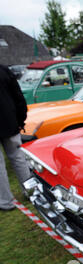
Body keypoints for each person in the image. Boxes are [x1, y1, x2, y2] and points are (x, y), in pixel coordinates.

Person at [0, 64, 30, 211]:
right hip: (9, 122)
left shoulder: (4, 70)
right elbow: (18, 97)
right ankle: (30, 192)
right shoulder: (4, 70)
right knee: (18, 158)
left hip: (10, 123)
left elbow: (18, 97)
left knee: (16, 159)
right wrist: (20, 119)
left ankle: (5, 202)